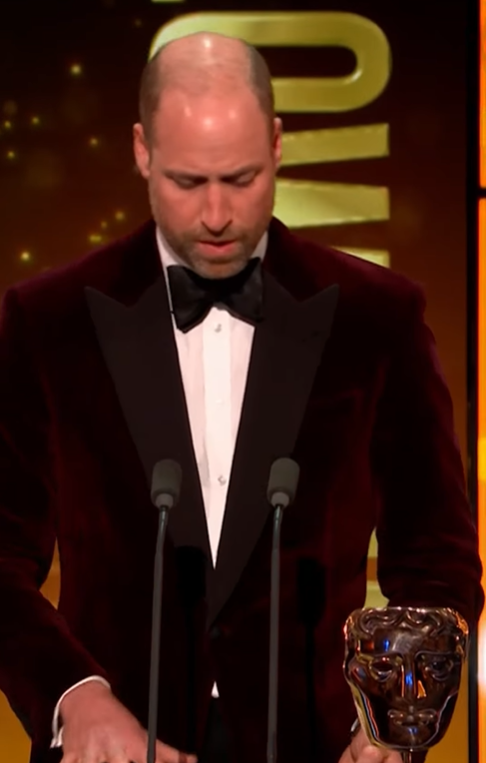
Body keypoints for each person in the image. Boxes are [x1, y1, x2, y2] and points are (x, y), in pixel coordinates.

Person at [0, 31, 482, 763]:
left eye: (242, 178)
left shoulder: (378, 317)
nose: (218, 214)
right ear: (141, 151)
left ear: (278, 145)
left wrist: (396, 718)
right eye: (188, 182)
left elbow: (437, 554)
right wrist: (75, 697)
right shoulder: (47, 321)